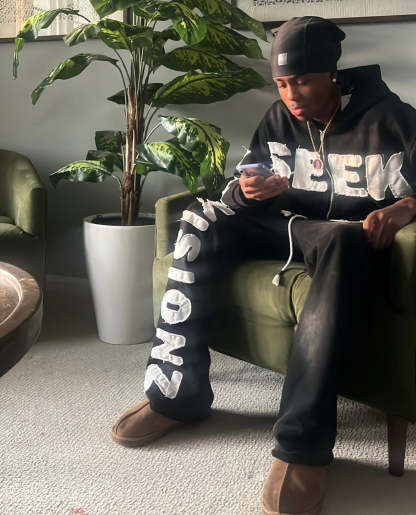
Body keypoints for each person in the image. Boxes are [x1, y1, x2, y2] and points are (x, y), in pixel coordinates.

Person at [111, 16, 416, 515]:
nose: (291, 95)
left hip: (341, 237)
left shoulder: (394, 120)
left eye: (303, 81)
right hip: (280, 226)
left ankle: (302, 447)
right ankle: (175, 395)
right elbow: (242, 184)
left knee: (345, 240)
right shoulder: (278, 119)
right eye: (282, 83)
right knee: (200, 218)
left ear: (332, 74)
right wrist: (246, 191)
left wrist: (406, 206)